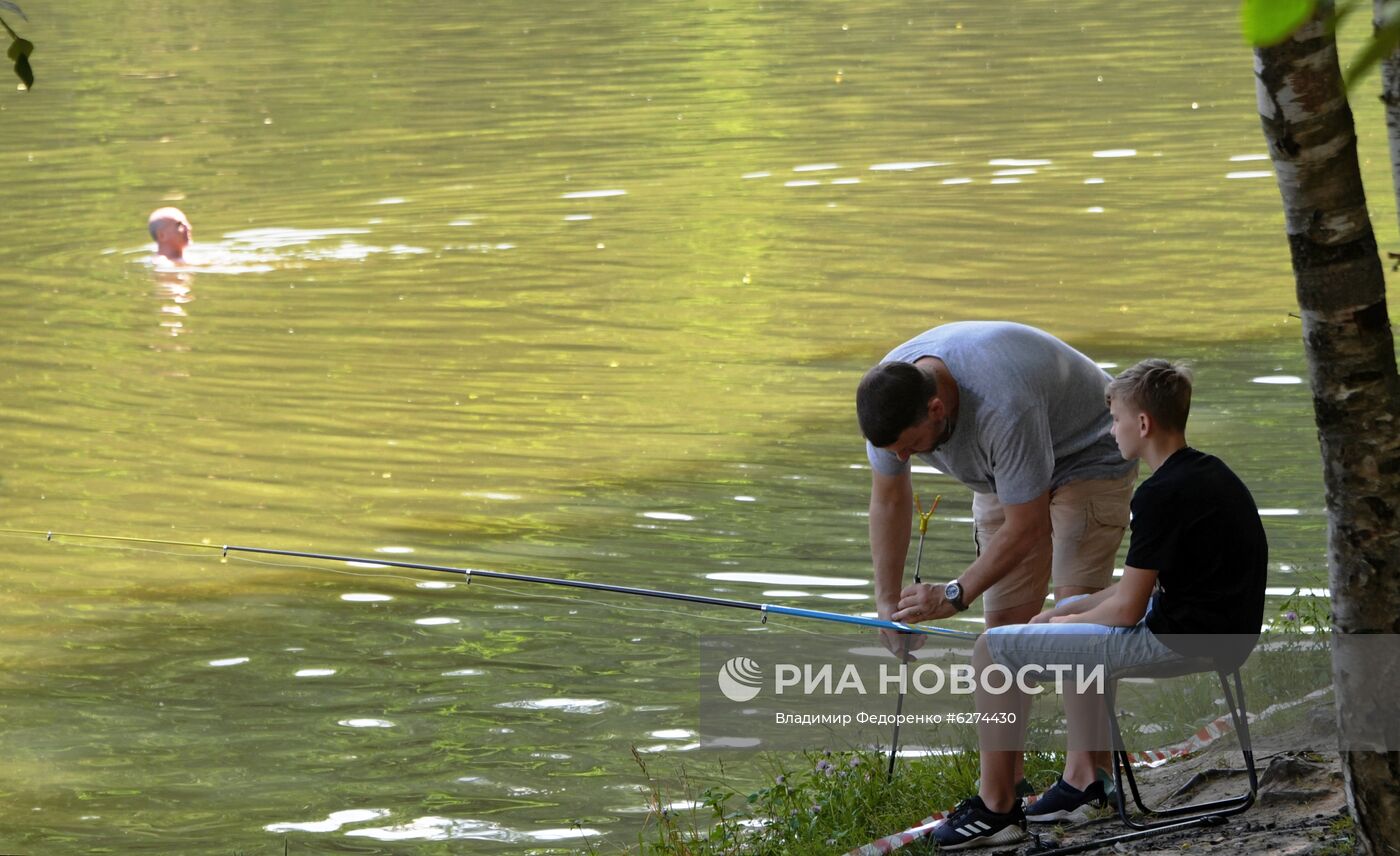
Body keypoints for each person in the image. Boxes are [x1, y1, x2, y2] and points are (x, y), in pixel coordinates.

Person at [927, 359, 1268, 850]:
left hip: (1178, 640)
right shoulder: (1210, 474)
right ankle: (1079, 781)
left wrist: (1068, 621)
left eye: (1116, 420)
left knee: (990, 650)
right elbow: (1145, 587)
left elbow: (1128, 611)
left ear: (1143, 424)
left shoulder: (1158, 495)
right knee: (1072, 610)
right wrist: (1065, 613)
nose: (1112, 432)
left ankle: (997, 805)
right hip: (1226, 634)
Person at [857, 322, 1137, 636]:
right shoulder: (886, 405)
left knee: (1074, 619)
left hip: (1085, 451)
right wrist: (887, 608)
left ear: (936, 409)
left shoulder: (1002, 406)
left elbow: (1026, 525)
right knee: (1004, 634)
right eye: (895, 451)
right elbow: (889, 500)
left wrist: (953, 595)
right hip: (1002, 467)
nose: (903, 458)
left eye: (911, 447)